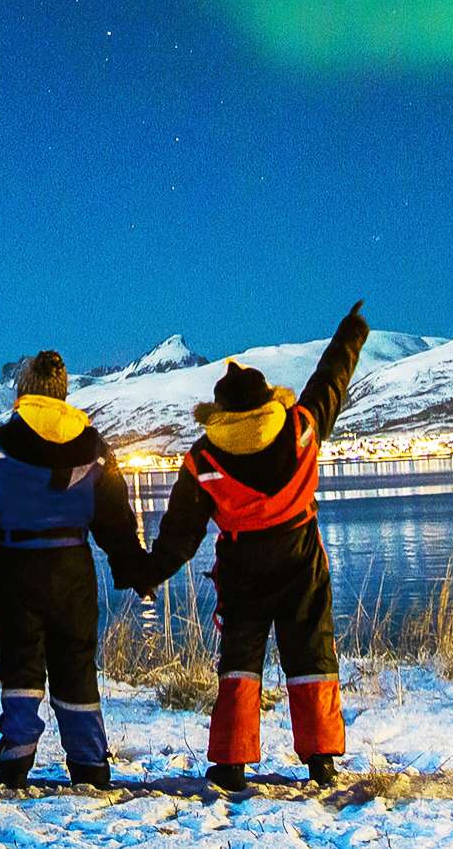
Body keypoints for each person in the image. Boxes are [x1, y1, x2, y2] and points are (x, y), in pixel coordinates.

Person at [137, 302, 371, 790]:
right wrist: (350, 332)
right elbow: (330, 381)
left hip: (242, 568)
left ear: (220, 413)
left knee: (239, 663)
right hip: (301, 559)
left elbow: (181, 534)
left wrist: (148, 573)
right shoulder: (301, 427)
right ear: (268, 401)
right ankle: (321, 758)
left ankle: (231, 763)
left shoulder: (203, 459)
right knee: (311, 654)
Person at [0, 350, 149, 787]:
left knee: (20, 667)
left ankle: (15, 761)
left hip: (15, 571)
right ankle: (90, 765)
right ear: (63, 393)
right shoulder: (94, 447)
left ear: (24, 393)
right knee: (76, 666)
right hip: (73, 571)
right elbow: (115, 520)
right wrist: (134, 569)